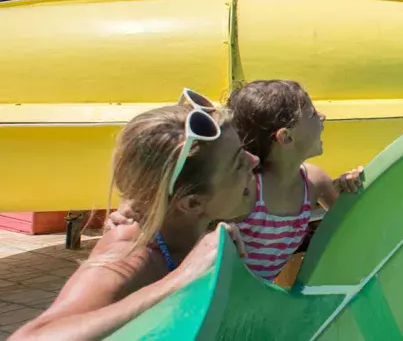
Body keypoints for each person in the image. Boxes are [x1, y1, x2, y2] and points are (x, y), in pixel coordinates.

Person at [12, 90, 259, 340]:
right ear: (192, 203)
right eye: (238, 163)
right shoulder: (128, 256)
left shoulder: (186, 226)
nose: (255, 159)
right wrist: (180, 279)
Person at [226, 80, 363, 281]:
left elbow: (355, 225)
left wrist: (352, 189)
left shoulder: (314, 183)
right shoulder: (246, 190)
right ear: (286, 137)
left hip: (256, 304)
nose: (323, 117)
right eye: (313, 114)